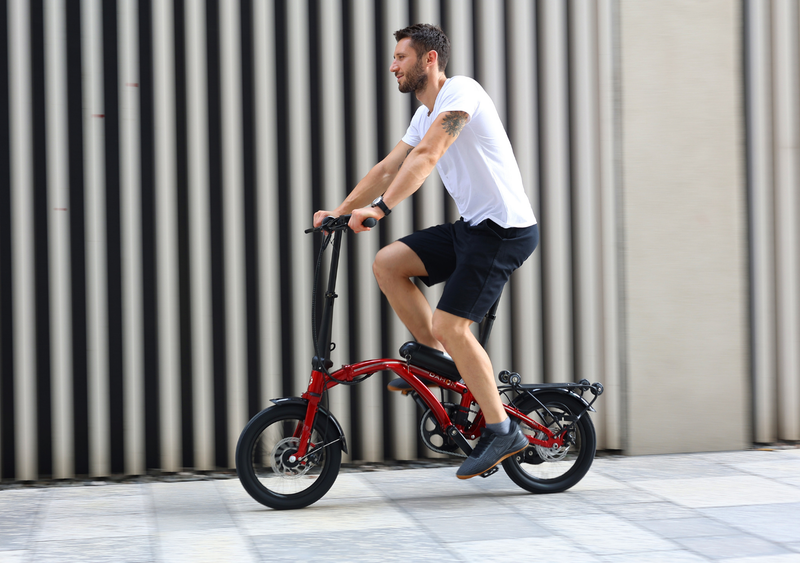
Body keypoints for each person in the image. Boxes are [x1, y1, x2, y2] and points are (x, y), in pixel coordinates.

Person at [313, 23, 538, 479]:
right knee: (389, 262)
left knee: (451, 323)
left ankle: (501, 430)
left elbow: (428, 156)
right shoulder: (423, 114)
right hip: (473, 228)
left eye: (401, 57)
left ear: (428, 60)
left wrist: (380, 209)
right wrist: (338, 212)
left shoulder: (461, 94)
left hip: (504, 231)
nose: (393, 65)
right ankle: (438, 363)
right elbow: (386, 167)